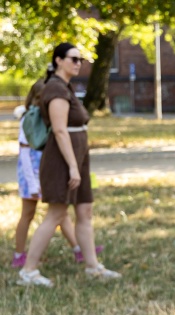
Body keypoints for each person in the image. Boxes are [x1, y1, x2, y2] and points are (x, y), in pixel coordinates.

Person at [18, 43, 120, 287]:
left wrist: (79, 164)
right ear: (58, 61)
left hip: (78, 157)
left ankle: (92, 266)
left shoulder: (65, 86)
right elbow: (61, 131)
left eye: (80, 59)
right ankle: (28, 271)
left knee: (84, 211)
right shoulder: (55, 88)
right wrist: (73, 167)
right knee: (56, 213)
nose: (78, 63)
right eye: (73, 59)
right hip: (63, 160)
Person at [12, 79, 103, 268]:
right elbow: (26, 154)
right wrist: (32, 183)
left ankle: (79, 249)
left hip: (48, 171)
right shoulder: (29, 119)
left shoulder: (52, 117)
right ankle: (19, 254)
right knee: (29, 213)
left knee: (60, 213)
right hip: (31, 175)